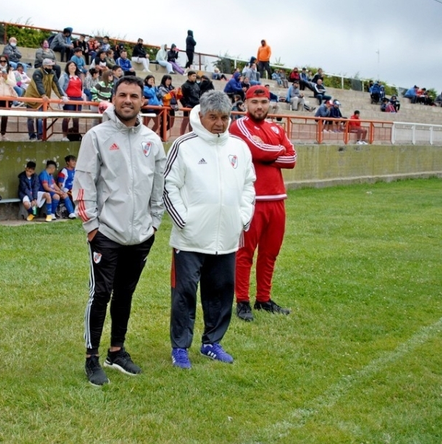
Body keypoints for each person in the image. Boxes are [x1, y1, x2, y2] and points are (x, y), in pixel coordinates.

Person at [73, 75, 166, 386]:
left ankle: (116, 351)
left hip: (140, 235)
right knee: (100, 294)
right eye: (123, 95)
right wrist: (91, 226)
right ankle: (91, 358)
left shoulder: (152, 141)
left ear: (143, 101)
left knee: (125, 293)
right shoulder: (97, 137)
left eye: (134, 96)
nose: (128, 100)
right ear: (113, 99)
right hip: (106, 233)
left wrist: (154, 223)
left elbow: (159, 186)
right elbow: (84, 181)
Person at [163, 90, 255, 369]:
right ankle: (180, 347)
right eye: (213, 117)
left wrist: (242, 218)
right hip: (190, 239)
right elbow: (168, 185)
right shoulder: (184, 145)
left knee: (221, 292)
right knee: (184, 294)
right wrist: (184, 221)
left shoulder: (239, 147)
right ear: (200, 116)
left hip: (227, 237)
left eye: (224, 117)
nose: (218, 123)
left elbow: (249, 185)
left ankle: (212, 343)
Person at [229, 85, 297, 322]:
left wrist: (271, 153)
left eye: (263, 102)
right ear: (245, 104)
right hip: (252, 200)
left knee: (270, 253)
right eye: (254, 102)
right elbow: (256, 150)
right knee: (244, 252)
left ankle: (264, 299)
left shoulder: (276, 127)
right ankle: (242, 300)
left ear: (269, 104)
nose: (259, 107)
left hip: (277, 200)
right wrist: (277, 151)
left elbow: (292, 158)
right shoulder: (239, 126)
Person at [23, 58, 66, 141]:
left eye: (51, 66)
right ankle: (31, 136)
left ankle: (40, 136)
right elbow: (38, 84)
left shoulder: (52, 73)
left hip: (43, 100)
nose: (50, 67)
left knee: (40, 118)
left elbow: (56, 85)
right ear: (44, 65)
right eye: (49, 66)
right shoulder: (37, 73)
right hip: (32, 98)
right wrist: (43, 94)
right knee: (31, 119)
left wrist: (61, 96)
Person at [59, 61, 84, 141]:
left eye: (74, 65)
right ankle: (64, 136)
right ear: (68, 67)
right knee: (67, 117)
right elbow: (60, 87)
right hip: (69, 99)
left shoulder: (78, 77)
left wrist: (82, 94)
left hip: (78, 99)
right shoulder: (65, 76)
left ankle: (75, 135)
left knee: (76, 118)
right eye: (71, 65)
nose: (73, 67)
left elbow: (80, 87)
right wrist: (64, 96)